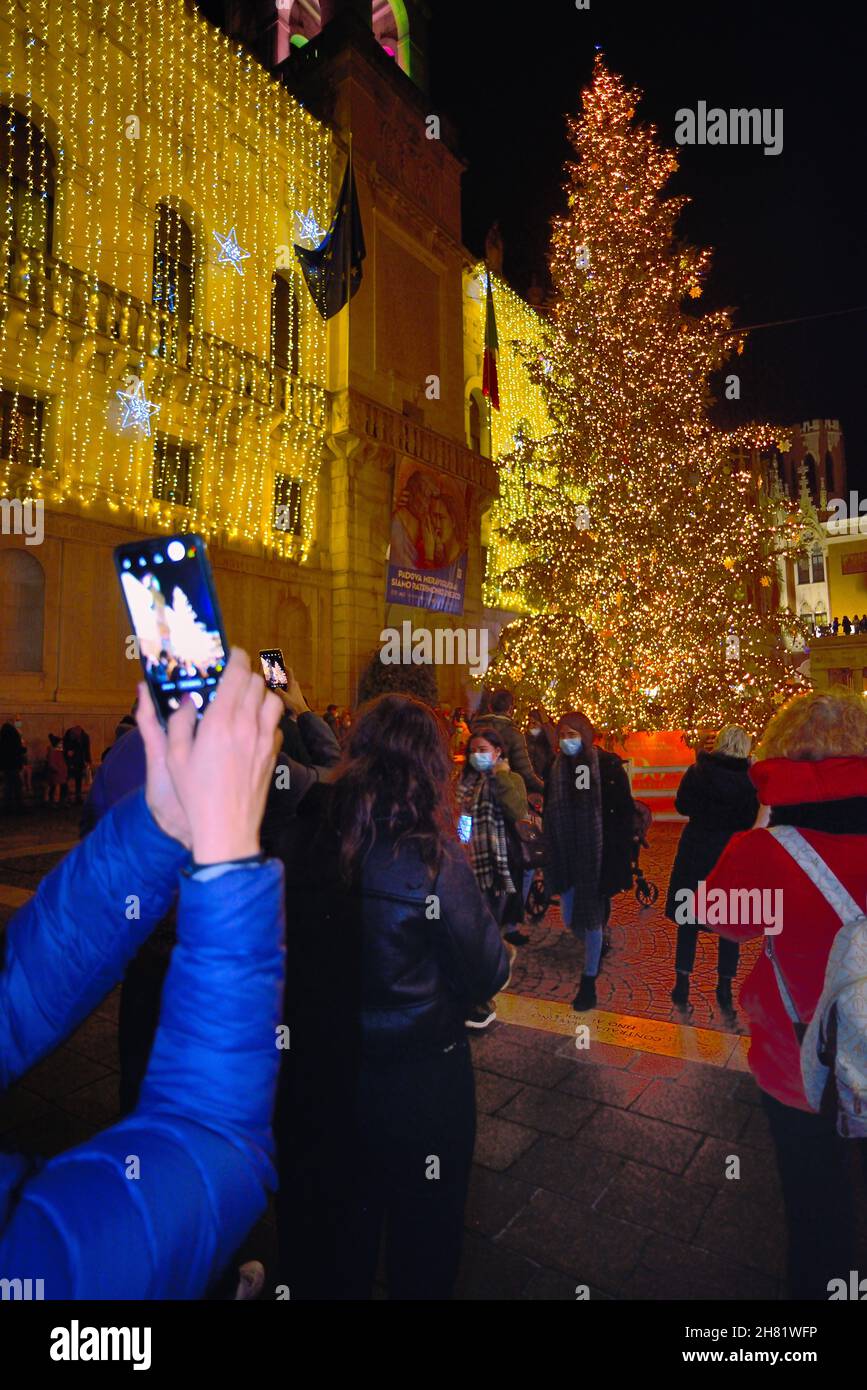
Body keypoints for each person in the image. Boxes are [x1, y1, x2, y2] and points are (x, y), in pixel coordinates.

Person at [0, 650, 286, 1298]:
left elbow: (11, 994)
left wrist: (162, 827)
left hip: (150, 939)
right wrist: (228, 859)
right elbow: (213, 1144)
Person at [271, 692, 509, 1300]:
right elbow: (485, 970)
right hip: (421, 1082)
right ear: (431, 763)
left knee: (335, 1237)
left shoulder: (304, 832)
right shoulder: (432, 852)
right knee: (423, 1245)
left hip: (322, 1070)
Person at [704, 689, 867, 1300]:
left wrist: (759, 827)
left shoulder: (764, 849)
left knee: (814, 1203)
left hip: (799, 1061)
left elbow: (722, 916)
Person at [544, 710, 635, 1011]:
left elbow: (623, 814)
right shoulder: (556, 768)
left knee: (591, 918)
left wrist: (616, 857)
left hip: (597, 857)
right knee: (571, 919)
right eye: (562, 735)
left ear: (586, 734)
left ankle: (588, 983)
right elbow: (551, 813)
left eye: (573, 734)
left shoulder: (607, 767)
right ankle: (597, 941)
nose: (567, 741)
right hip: (566, 854)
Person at [665, 726, 759, 1016]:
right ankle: (724, 987)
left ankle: (682, 982)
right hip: (731, 853)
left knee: (689, 921)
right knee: (729, 923)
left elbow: (682, 805)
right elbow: (753, 817)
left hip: (697, 849)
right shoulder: (750, 780)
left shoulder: (698, 771)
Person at [458, 727, 529, 970]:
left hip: (501, 858)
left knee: (493, 915)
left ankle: (491, 963)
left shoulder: (511, 779)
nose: (476, 755)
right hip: (473, 860)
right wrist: (462, 843)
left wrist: (501, 777)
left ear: (497, 752)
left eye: (483, 750)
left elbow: (518, 811)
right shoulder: (466, 780)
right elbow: (462, 818)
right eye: (473, 750)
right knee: (478, 915)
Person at [471, 689, 544, 796]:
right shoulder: (514, 734)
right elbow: (526, 774)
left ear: (490, 706)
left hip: (477, 793)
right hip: (504, 796)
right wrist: (545, 789)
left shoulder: (475, 730)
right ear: (510, 709)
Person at [0, 719, 26, 812]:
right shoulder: (14, 740)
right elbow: (20, 750)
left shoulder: (3, 740)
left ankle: (8, 806)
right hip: (14, 766)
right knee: (17, 786)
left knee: (8, 787)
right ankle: (19, 806)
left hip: (6, 766)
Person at [62, 723, 92, 804]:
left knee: (78, 779)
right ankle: (65, 797)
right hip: (70, 760)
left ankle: (78, 795)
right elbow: (64, 746)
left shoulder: (84, 737)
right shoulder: (69, 735)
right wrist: (67, 752)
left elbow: (86, 750)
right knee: (67, 778)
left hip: (79, 760)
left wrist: (88, 761)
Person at [526, 706, 557, 783]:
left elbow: (554, 742)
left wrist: (546, 722)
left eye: (534, 723)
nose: (531, 726)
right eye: (529, 723)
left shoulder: (548, 739)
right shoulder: (526, 739)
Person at [44, 734, 68, 806]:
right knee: (54, 788)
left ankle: (59, 801)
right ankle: (54, 801)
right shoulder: (53, 752)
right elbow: (52, 763)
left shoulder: (59, 752)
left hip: (60, 772)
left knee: (60, 787)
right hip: (56, 773)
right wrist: (56, 769)